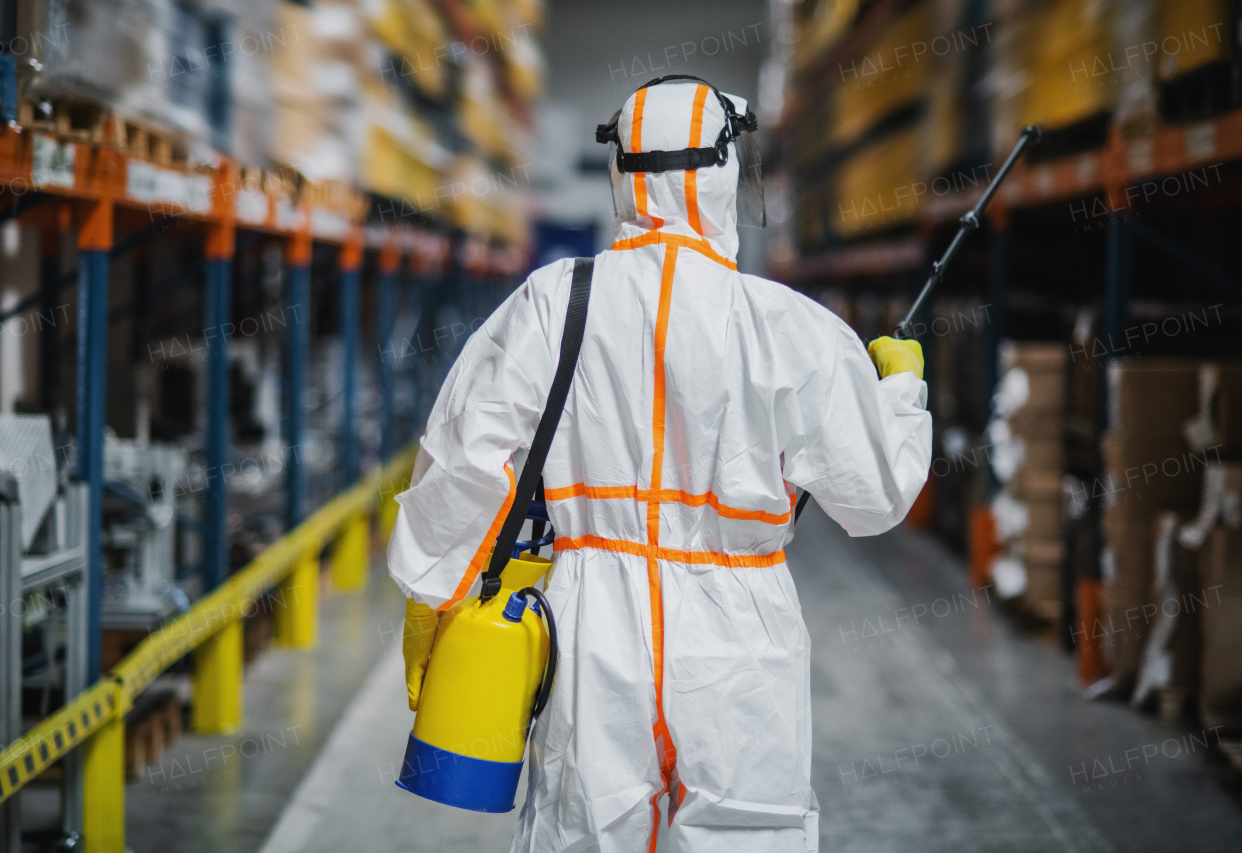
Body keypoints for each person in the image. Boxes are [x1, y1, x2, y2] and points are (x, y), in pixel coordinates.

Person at [388, 75, 931, 853]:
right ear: (725, 176)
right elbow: (875, 497)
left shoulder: (554, 302)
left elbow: (463, 455)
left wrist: (429, 587)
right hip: (740, 633)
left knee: (585, 829)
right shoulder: (792, 329)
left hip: (591, 622)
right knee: (749, 833)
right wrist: (901, 389)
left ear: (623, 175)